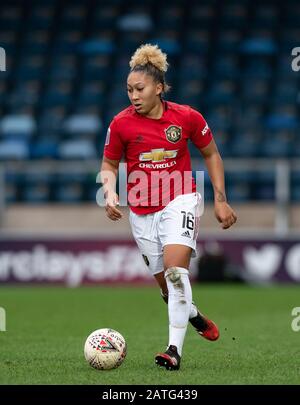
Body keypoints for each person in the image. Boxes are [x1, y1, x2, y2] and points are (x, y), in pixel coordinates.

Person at [100, 44, 237, 371]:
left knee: (177, 274)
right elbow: (108, 163)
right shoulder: (121, 124)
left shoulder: (187, 117)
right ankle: (192, 314)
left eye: (140, 89)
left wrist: (220, 199)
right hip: (142, 212)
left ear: (159, 88)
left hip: (181, 200)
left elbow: (212, 155)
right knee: (167, 288)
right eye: (129, 89)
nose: (133, 95)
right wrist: (109, 191)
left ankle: (173, 350)